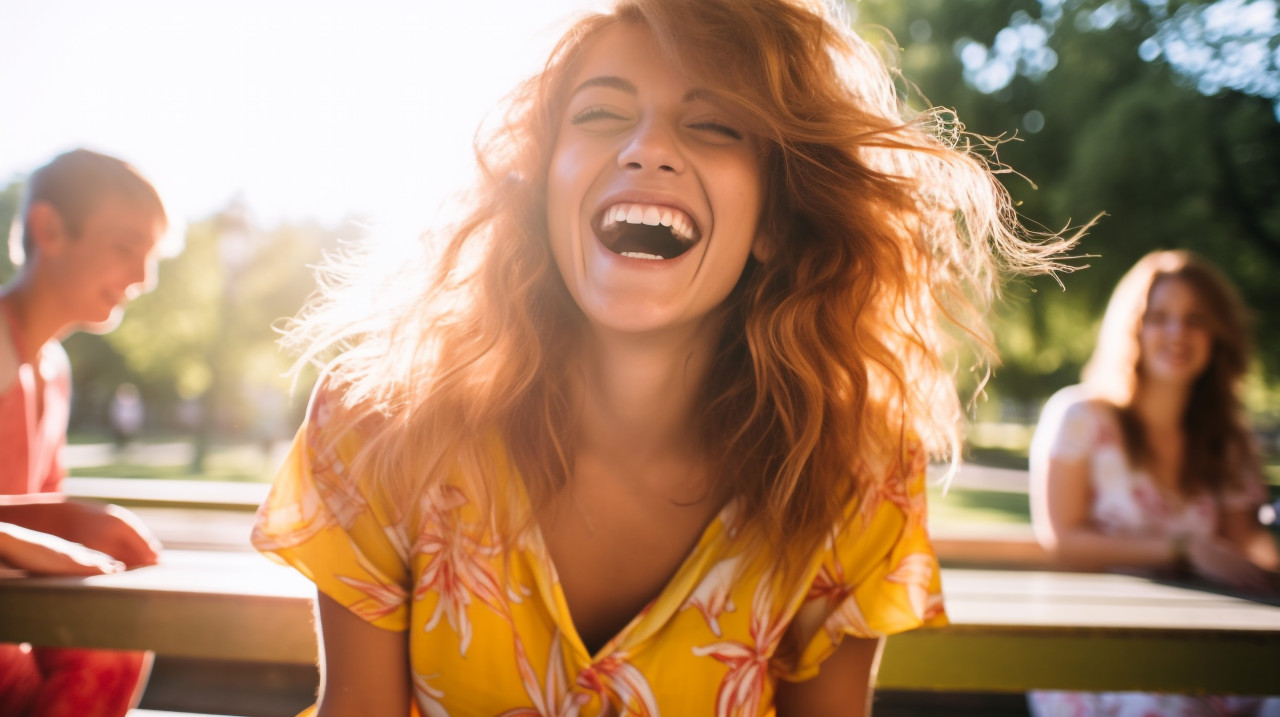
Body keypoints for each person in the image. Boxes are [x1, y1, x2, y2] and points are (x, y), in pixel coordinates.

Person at [253, 0, 1070, 713]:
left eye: (714, 124)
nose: (647, 148)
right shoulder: (380, 425)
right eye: (602, 115)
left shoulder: (852, 473)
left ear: (776, 222)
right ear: (539, 190)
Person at [1028, 250, 1280, 716]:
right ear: (1134, 329)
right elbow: (1061, 538)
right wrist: (1182, 548)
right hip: (1096, 647)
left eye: (1195, 319)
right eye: (1159, 317)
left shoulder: (1230, 441)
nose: (1177, 333)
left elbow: (1248, 547)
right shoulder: (1080, 416)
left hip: (1206, 642)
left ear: (1217, 335)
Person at [0, 148, 167, 717]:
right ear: (49, 228)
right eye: (125, 248)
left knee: (112, 637)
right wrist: (60, 521)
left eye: (150, 257)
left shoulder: (54, 372)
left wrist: (61, 523)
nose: (143, 278)